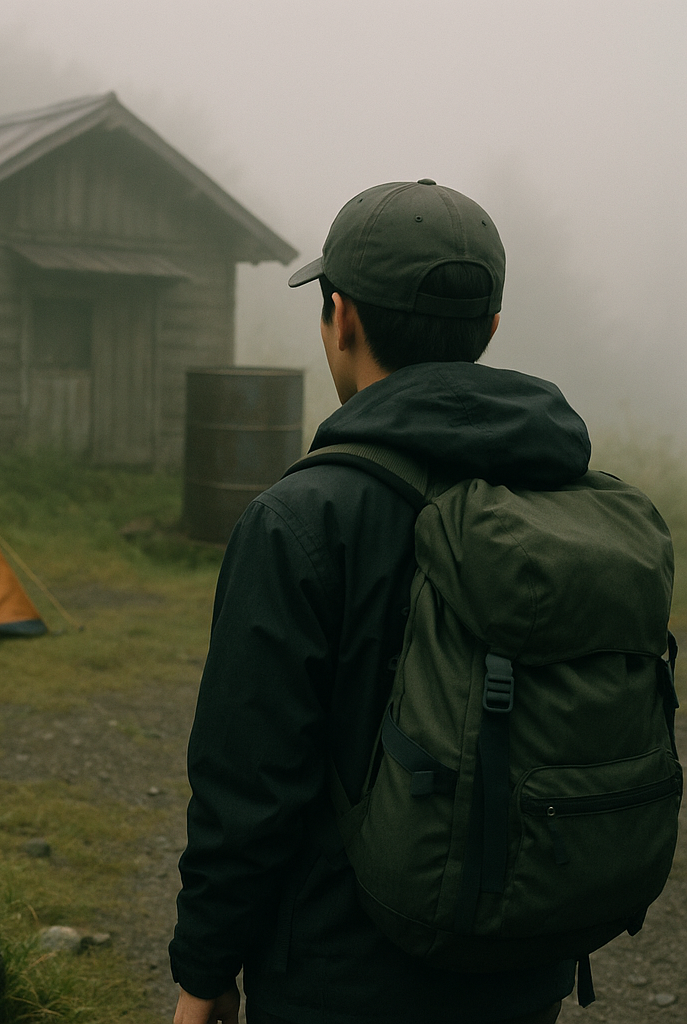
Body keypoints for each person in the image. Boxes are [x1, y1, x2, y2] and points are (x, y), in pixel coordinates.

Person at [168, 180, 585, 1024]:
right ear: (489, 330)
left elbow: (249, 785)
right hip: (522, 968)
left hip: (340, 979)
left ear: (342, 317)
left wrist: (203, 974)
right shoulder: (563, 497)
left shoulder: (303, 518)